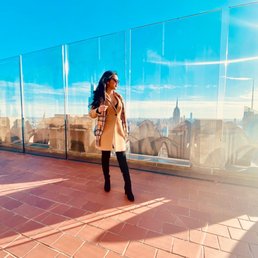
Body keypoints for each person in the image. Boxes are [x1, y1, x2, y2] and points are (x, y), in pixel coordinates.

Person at [89, 70, 134, 202]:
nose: (117, 83)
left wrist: (125, 131)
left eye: (118, 81)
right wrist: (98, 110)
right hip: (106, 133)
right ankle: (107, 180)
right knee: (105, 158)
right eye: (115, 80)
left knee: (123, 162)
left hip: (119, 133)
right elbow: (91, 113)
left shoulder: (119, 97)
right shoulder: (100, 97)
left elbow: (122, 116)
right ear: (108, 81)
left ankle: (128, 188)